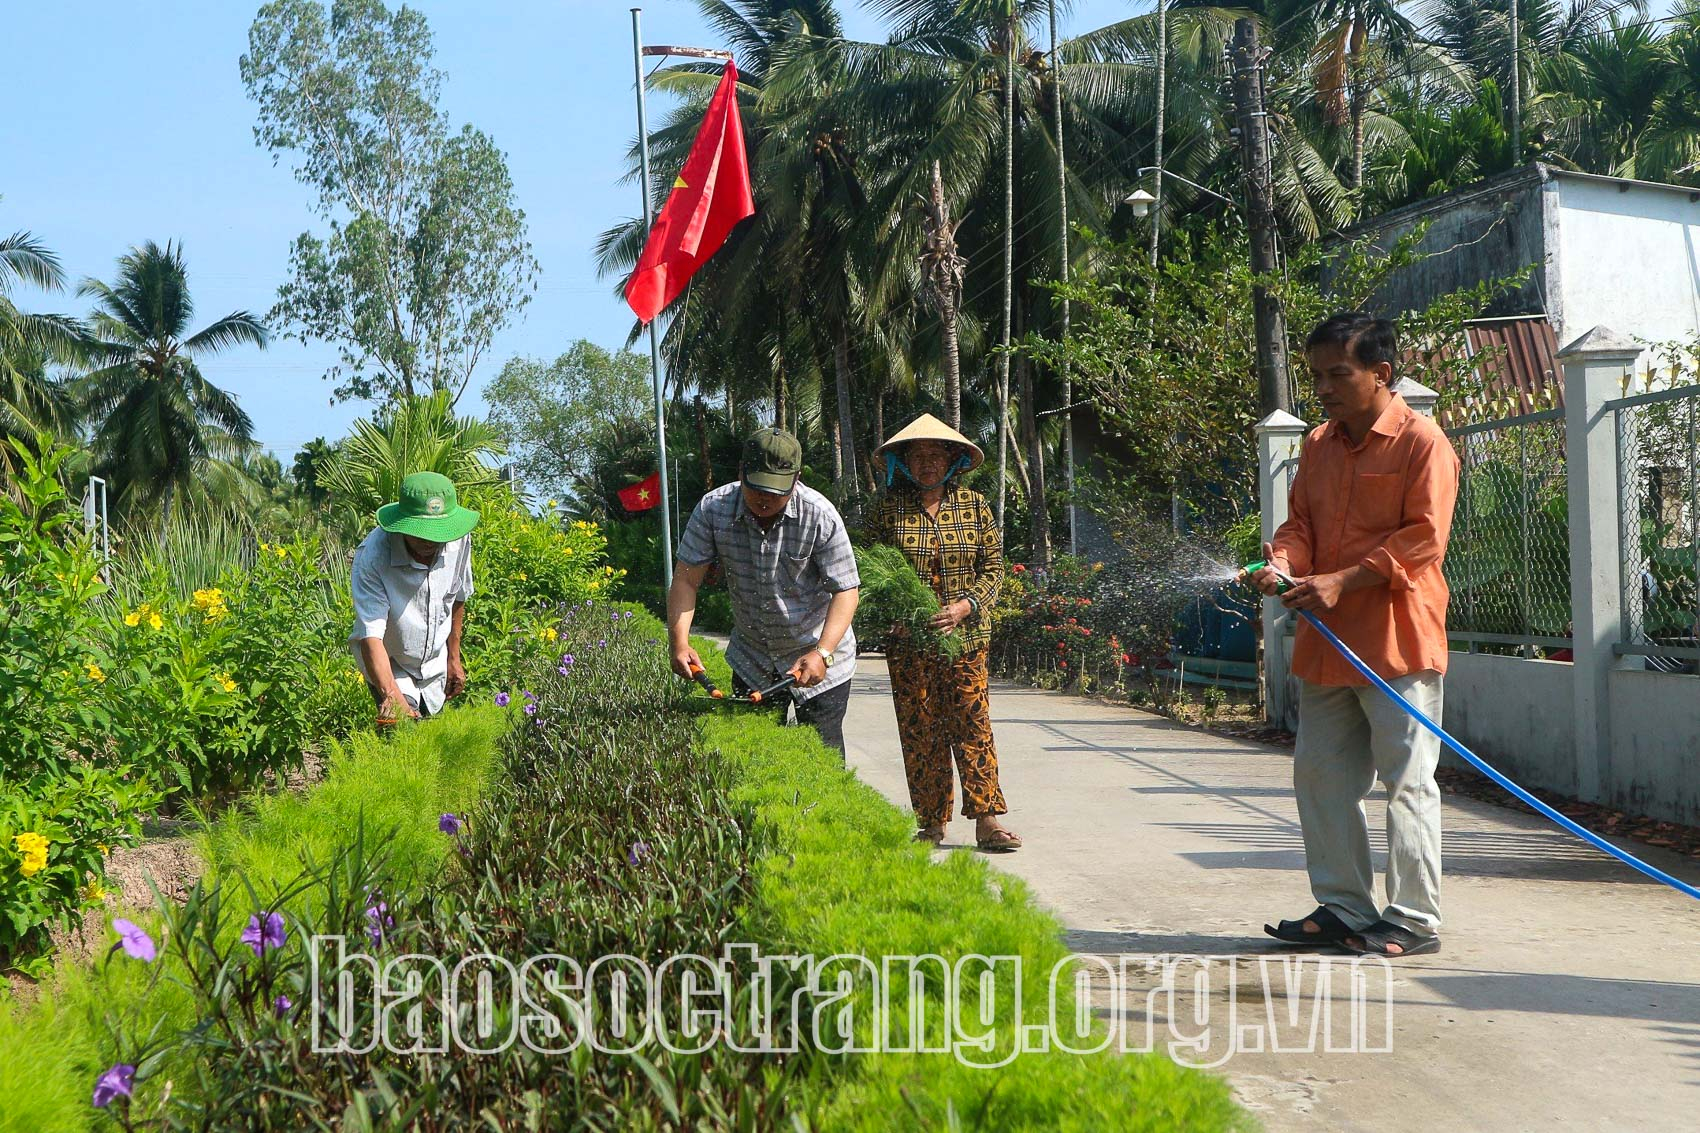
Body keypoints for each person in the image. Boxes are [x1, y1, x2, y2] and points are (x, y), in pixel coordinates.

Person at [1248, 312, 1459, 958]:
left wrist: (1345, 579)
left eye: (1338, 373)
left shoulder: (1424, 444)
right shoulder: (1317, 445)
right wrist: (1284, 562)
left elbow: (1423, 539)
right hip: (1327, 638)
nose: (1325, 388)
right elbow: (1300, 525)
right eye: (1317, 376)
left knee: (1407, 778)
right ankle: (1342, 905)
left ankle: (1414, 917)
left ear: (1381, 374)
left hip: (1397, 641)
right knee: (1320, 775)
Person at [871, 414, 1021, 852]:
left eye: (936, 455)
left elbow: (993, 568)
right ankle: (932, 822)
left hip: (968, 640)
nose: (927, 465)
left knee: (973, 724)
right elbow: (870, 568)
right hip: (910, 643)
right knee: (920, 728)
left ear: (953, 460)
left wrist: (963, 607)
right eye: (918, 457)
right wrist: (893, 615)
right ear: (904, 463)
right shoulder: (887, 510)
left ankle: (987, 820)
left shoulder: (975, 505)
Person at [667, 427, 861, 753]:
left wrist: (822, 653)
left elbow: (846, 590)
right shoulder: (713, 510)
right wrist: (679, 641)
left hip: (818, 658)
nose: (764, 499)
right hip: (752, 658)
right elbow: (686, 580)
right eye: (756, 487)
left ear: (797, 478)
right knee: (751, 754)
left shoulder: (820, 515)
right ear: (741, 472)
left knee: (821, 759)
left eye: (777, 491)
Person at [350, 471, 481, 723]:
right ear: (403, 524)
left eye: (439, 533)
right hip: (391, 663)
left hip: (435, 663)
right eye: (421, 532)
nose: (432, 541)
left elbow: (458, 597)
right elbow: (371, 634)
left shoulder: (459, 540)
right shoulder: (373, 556)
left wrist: (454, 658)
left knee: (433, 739)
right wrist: (391, 695)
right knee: (401, 736)